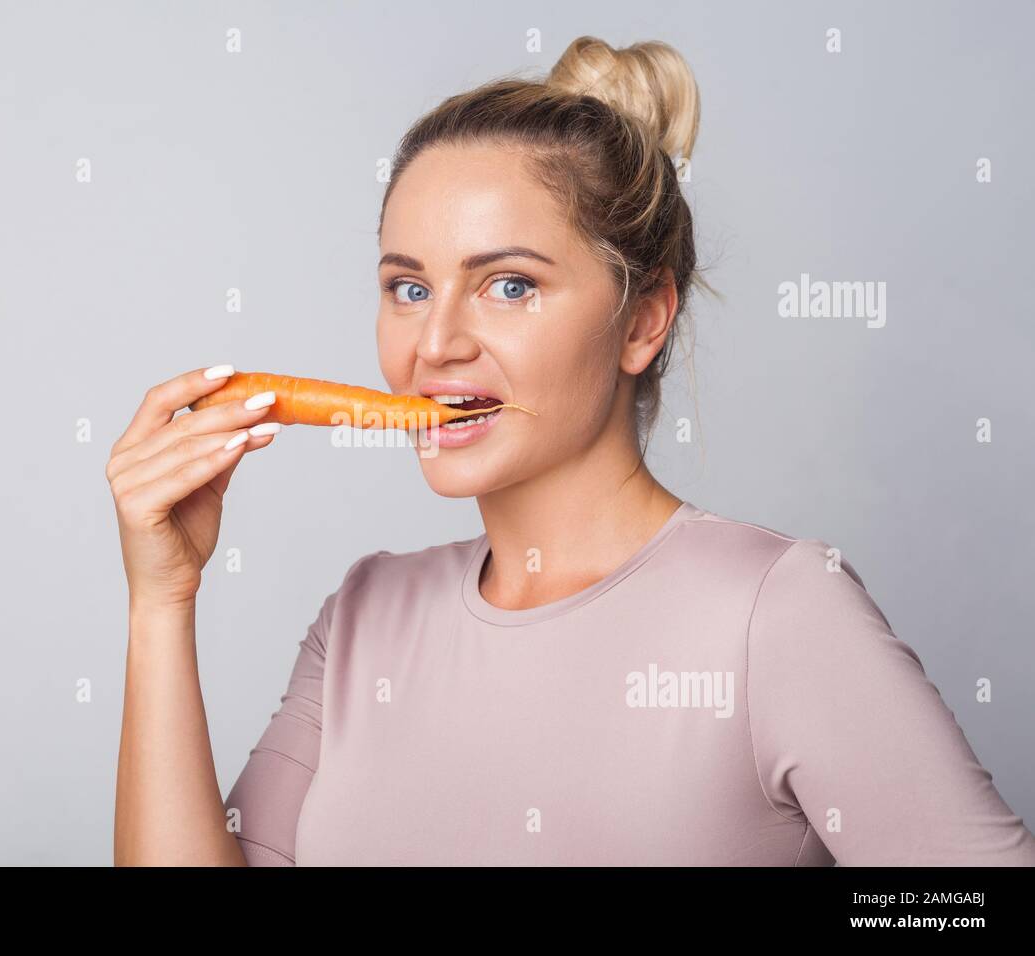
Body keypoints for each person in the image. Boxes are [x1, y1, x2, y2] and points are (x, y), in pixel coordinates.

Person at [109, 36, 1035, 866]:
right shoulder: (364, 617)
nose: (434, 345)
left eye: (509, 285)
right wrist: (162, 602)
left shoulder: (778, 613)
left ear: (643, 320)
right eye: (408, 288)